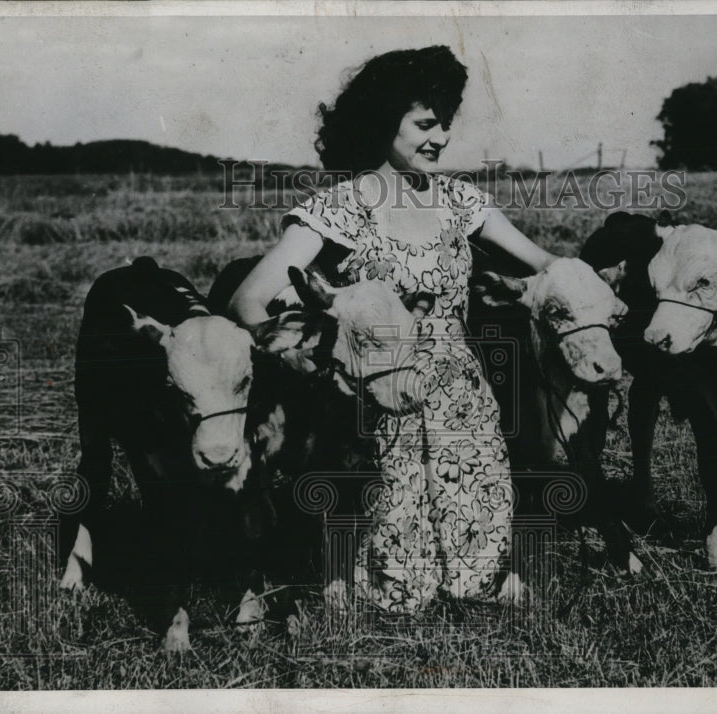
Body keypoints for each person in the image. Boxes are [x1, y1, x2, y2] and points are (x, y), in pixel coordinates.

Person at [230, 45, 557, 614]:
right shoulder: (340, 208)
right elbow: (248, 299)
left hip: (460, 398)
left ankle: (475, 577)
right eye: (425, 124)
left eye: (445, 124)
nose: (441, 138)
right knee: (399, 593)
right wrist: (306, 361)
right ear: (385, 122)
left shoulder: (462, 202)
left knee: (475, 575)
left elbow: (546, 266)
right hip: (378, 400)